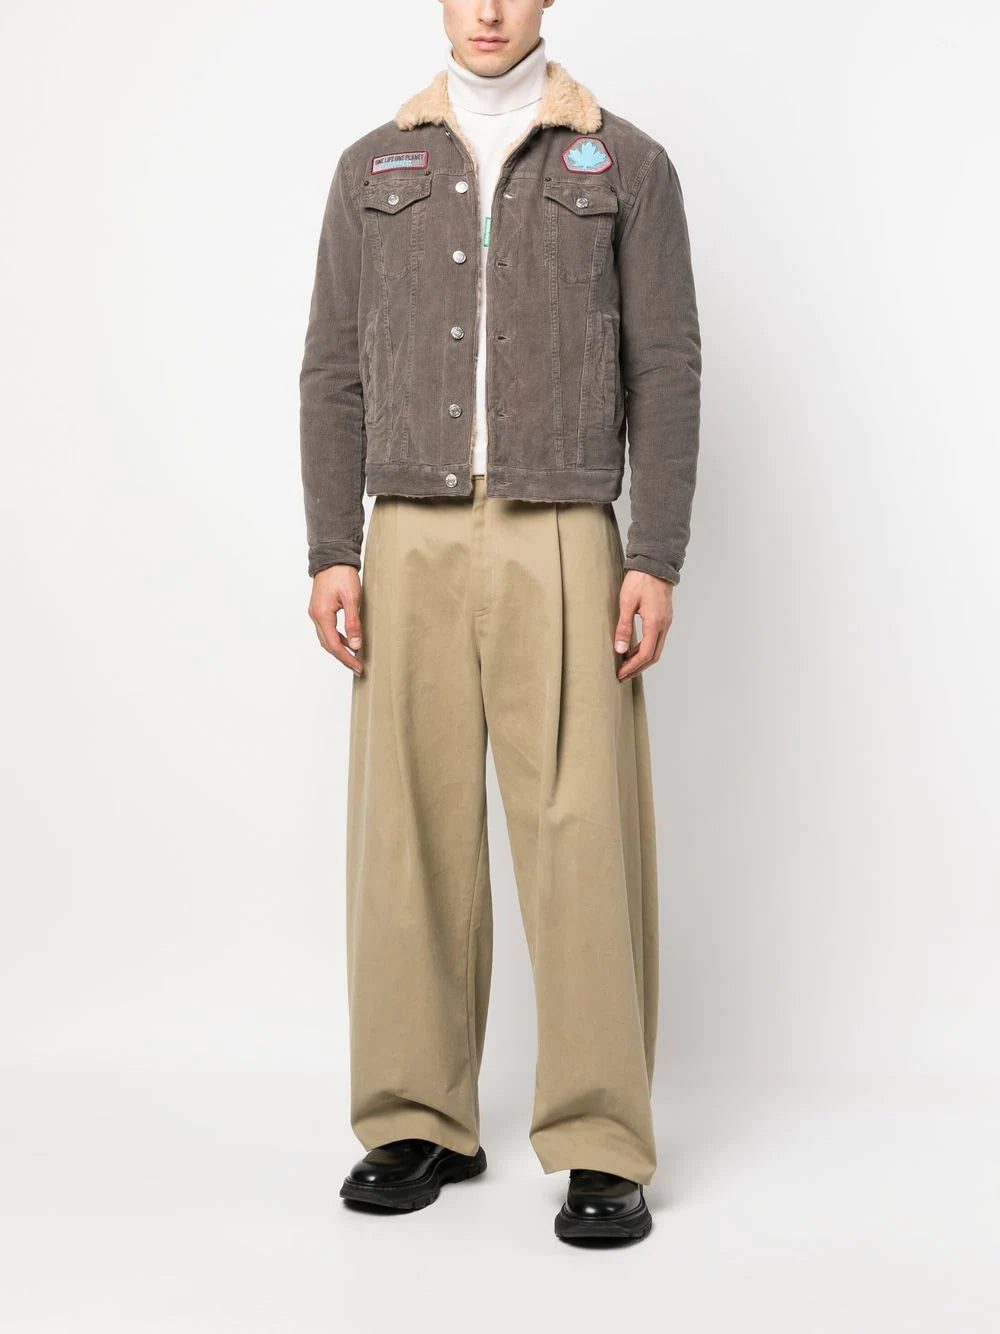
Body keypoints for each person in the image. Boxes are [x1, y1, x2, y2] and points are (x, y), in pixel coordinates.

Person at [299, 0, 700, 1245]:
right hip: (407, 533)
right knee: (406, 832)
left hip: (565, 528)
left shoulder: (625, 163)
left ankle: (600, 1139)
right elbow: (331, 369)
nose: (486, 10)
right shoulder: (373, 166)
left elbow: (666, 366)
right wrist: (331, 545)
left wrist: (654, 553)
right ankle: (417, 1116)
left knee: (582, 833)